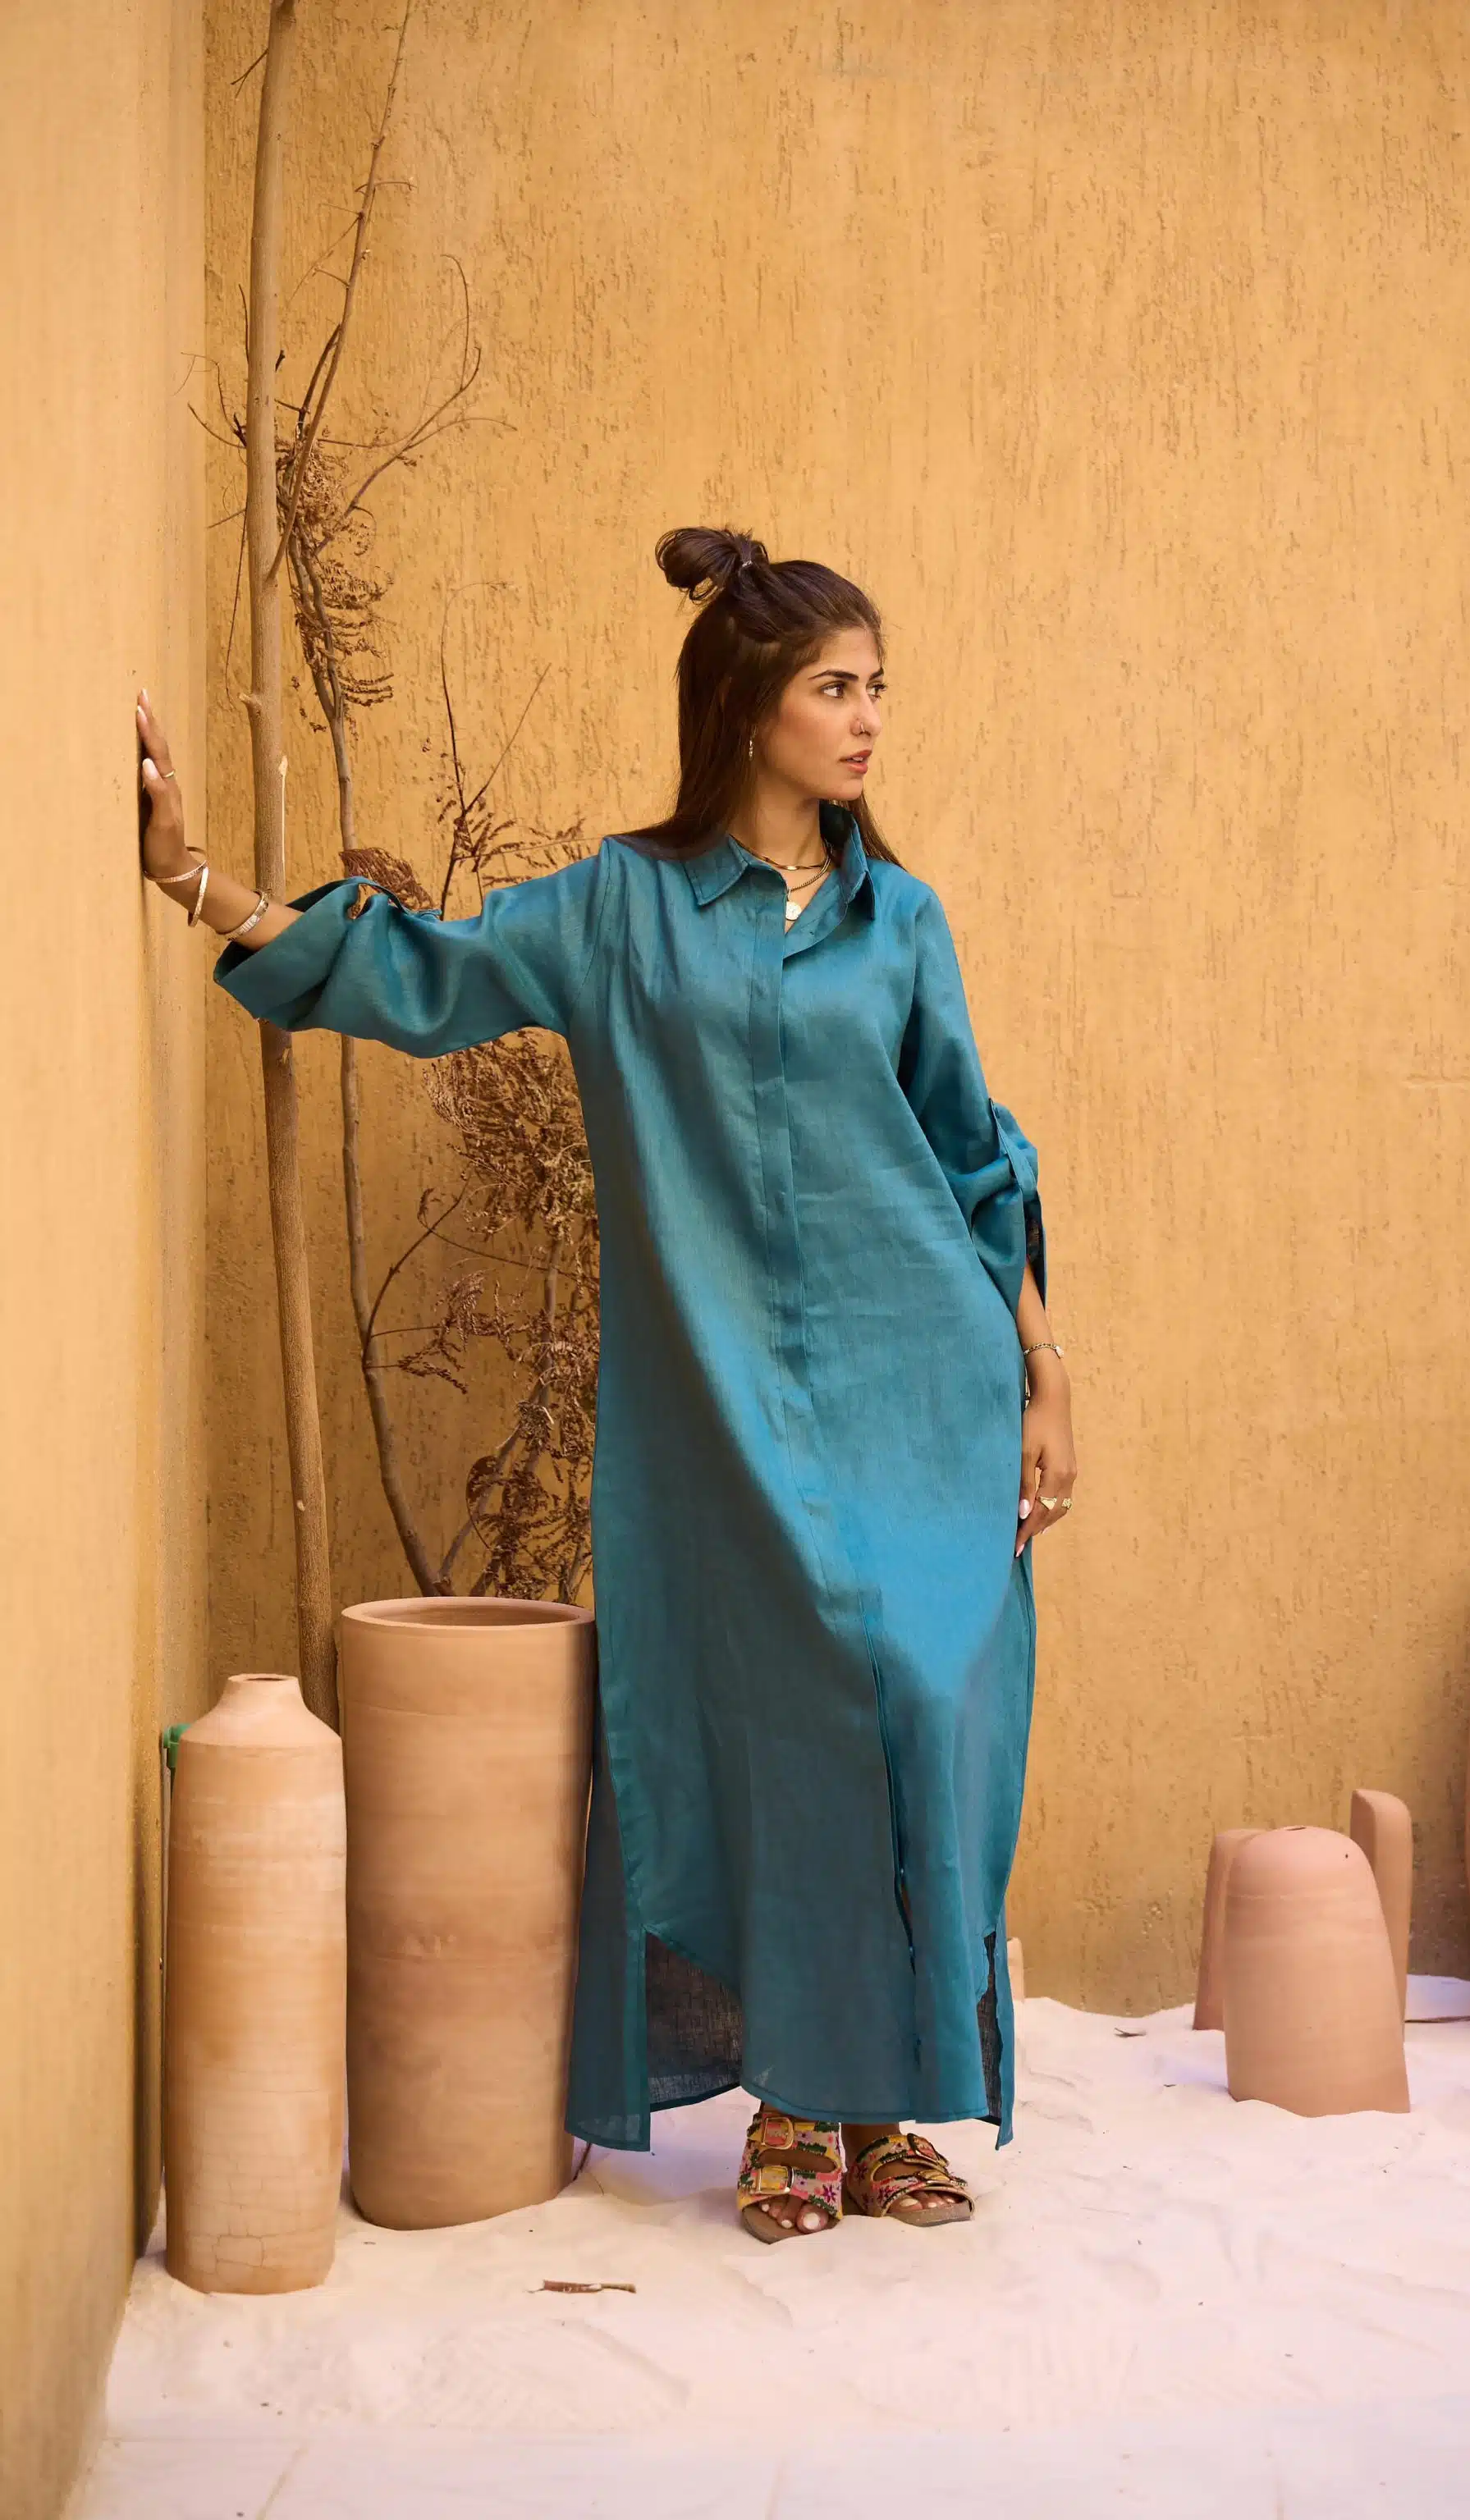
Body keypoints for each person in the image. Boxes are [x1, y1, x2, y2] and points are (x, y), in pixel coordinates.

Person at [135, 526, 1077, 2241]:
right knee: (790, 1719)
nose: (869, 718)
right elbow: (424, 976)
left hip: (921, 1383)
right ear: (748, 707)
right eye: (836, 688)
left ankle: (890, 2098)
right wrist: (200, 882)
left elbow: (971, 1155)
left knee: (927, 1703)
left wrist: (1042, 1375)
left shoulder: (902, 924)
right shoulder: (617, 911)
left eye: (877, 687)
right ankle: (801, 2098)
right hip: (719, 1409)